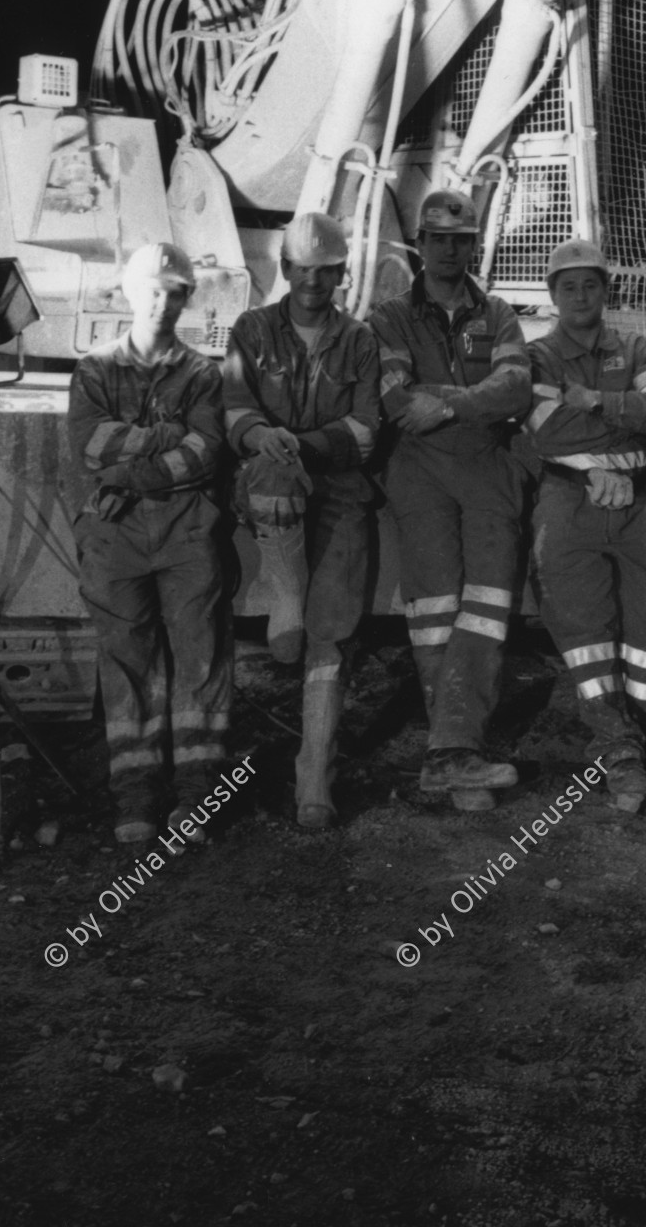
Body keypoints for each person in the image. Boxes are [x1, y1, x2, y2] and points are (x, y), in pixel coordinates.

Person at [370, 190, 531, 811]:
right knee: (436, 609)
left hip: (486, 468)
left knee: (487, 605)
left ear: (474, 244)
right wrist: (471, 395)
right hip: (419, 473)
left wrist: (452, 402)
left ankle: (450, 751)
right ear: (420, 244)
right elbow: (395, 397)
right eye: (438, 238)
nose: (449, 250)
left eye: (460, 239)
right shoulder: (388, 316)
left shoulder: (498, 314)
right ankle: (457, 752)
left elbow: (515, 386)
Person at [68, 242, 229, 846]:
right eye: (153, 290)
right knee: (126, 656)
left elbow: (206, 454)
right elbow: (90, 447)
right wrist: (167, 436)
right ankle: (135, 794)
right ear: (130, 291)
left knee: (201, 654)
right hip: (115, 536)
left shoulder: (204, 373)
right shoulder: (94, 368)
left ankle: (197, 794)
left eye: (175, 292)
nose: (162, 302)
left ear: (188, 297)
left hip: (188, 527)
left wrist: (130, 462)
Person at [224, 212, 379, 830]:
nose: (314, 281)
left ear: (342, 274)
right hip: (271, 477)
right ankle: (284, 597)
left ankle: (314, 776)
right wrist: (265, 437)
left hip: (340, 487)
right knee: (272, 472)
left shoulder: (360, 340)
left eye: (327, 271)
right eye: (303, 269)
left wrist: (304, 444)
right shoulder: (253, 328)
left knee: (332, 627)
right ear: (285, 270)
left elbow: (368, 430)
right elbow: (235, 406)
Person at [527, 240, 646, 813]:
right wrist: (600, 458)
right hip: (569, 502)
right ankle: (619, 749)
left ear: (606, 289)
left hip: (638, 500)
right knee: (585, 630)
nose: (580, 295)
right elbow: (545, 430)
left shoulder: (639, 346)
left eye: (590, 284)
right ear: (553, 296)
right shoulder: (539, 356)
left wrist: (592, 401)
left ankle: (631, 736)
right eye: (568, 287)